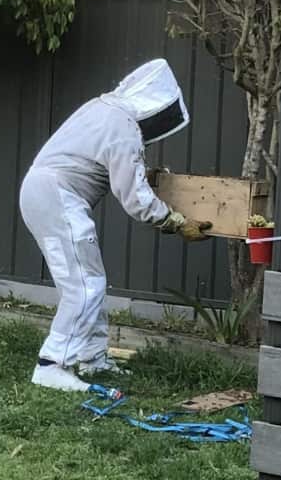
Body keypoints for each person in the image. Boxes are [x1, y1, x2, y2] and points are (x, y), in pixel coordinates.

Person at [20, 59, 212, 392]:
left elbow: (110, 167)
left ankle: (93, 359)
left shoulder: (104, 108)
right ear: (156, 104)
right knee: (83, 286)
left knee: (89, 280)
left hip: (44, 192)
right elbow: (134, 198)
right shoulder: (124, 128)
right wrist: (177, 223)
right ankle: (51, 364)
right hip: (57, 196)